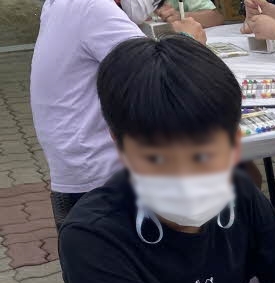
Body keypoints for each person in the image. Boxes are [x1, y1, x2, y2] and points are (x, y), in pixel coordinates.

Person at [58, 36, 275, 283]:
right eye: (158, 160)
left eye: (204, 156)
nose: (186, 178)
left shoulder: (238, 194)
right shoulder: (94, 237)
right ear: (120, 145)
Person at [30, 0, 206, 229]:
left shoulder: (65, 5)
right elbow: (160, 79)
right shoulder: (92, 7)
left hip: (78, 169)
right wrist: (189, 42)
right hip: (102, 174)